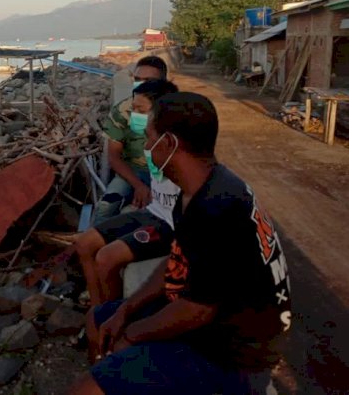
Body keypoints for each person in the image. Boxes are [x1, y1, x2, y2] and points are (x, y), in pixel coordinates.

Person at [73, 92, 292, 395]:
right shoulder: (196, 189)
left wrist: (133, 334)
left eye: (151, 139)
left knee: (85, 390)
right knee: (99, 320)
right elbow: (177, 261)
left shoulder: (216, 207)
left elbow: (197, 311)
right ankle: (111, 375)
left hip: (233, 352)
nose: (147, 148)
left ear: (170, 143)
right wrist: (125, 311)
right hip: (208, 319)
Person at [76, 79, 180, 307]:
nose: (133, 115)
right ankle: (97, 311)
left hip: (170, 224)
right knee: (85, 243)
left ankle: (113, 316)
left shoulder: (179, 148)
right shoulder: (151, 142)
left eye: (139, 110)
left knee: (106, 257)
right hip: (154, 212)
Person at [96, 56, 168, 224]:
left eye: (149, 80)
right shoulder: (123, 110)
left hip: (167, 175)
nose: (141, 84)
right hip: (132, 172)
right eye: (137, 79)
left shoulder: (176, 110)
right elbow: (114, 156)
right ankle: (92, 244)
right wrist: (138, 185)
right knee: (105, 207)